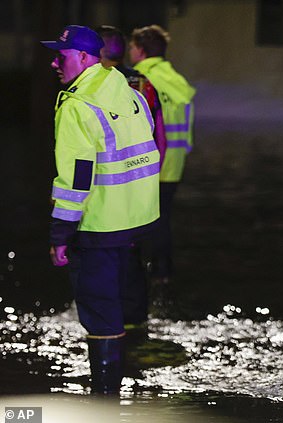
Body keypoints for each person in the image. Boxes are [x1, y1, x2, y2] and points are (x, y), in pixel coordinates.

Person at [41, 25, 160, 394]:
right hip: (136, 220)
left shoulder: (77, 104)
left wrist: (60, 235)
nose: (54, 63)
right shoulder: (128, 92)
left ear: (82, 57)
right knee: (118, 305)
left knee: (100, 313)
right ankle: (119, 392)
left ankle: (104, 400)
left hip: (98, 224)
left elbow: (76, 179)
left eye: (60, 56)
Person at [96, 24, 167, 327]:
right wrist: (150, 177)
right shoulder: (143, 83)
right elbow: (159, 136)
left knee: (101, 254)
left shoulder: (95, 84)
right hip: (139, 184)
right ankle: (137, 317)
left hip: (105, 187)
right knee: (133, 251)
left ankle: (108, 321)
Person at [128, 24, 196, 284]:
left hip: (149, 160)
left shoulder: (139, 77)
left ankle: (143, 273)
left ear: (141, 50)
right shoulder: (176, 79)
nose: (130, 51)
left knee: (141, 220)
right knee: (163, 217)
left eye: (132, 46)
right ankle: (163, 271)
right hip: (176, 160)